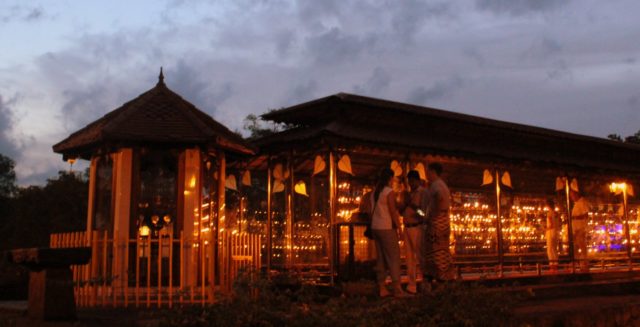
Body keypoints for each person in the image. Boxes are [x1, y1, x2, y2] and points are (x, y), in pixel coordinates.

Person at [371, 168, 409, 298]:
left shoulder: (375, 192)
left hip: (375, 227)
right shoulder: (389, 192)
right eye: (393, 178)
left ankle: (382, 288)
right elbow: (393, 212)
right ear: (389, 178)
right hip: (387, 228)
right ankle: (397, 288)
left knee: (381, 258)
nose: (394, 181)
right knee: (394, 257)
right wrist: (400, 228)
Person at [424, 162, 454, 285]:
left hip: (438, 223)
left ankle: (442, 278)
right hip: (440, 222)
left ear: (432, 171)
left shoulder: (438, 186)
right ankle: (439, 276)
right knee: (437, 251)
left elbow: (440, 199)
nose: (426, 174)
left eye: (427, 171)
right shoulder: (437, 185)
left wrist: (434, 214)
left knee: (439, 251)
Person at [401, 170, 429, 294]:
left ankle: (425, 283)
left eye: (412, 181)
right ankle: (411, 285)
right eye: (409, 181)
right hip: (406, 227)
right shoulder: (408, 193)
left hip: (417, 227)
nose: (410, 184)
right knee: (409, 258)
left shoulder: (423, 193)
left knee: (420, 257)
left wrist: (412, 205)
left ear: (418, 180)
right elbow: (402, 211)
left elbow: (425, 214)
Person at [570, 190, 590, 272]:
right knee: (575, 248)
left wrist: (575, 218)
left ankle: (584, 265)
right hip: (575, 229)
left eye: (572, 195)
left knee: (582, 247)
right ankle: (577, 264)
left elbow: (586, 215)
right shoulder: (576, 204)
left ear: (576, 194)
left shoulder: (582, 202)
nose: (571, 198)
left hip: (580, 228)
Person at [545, 198, 560, 272]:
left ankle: (552, 265)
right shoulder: (556, 213)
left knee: (550, 249)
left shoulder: (549, 213)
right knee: (554, 249)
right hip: (556, 232)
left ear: (548, 205)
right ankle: (556, 264)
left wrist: (545, 228)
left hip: (551, 231)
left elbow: (550, 224)